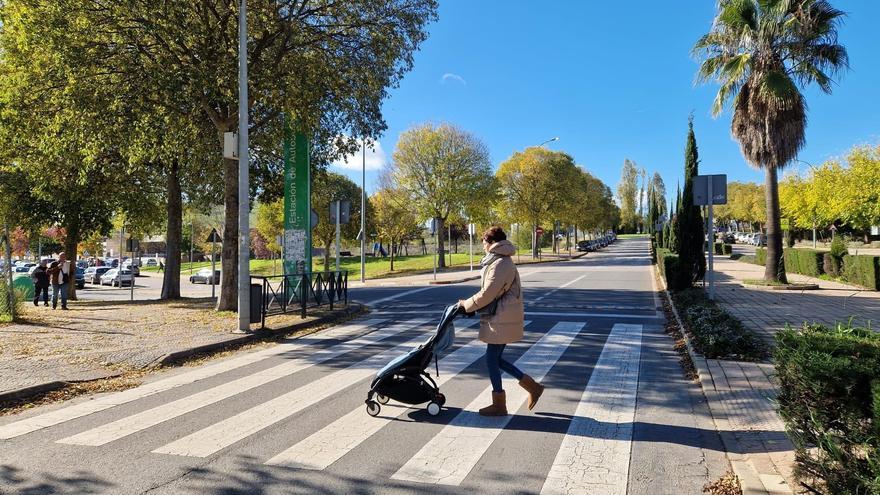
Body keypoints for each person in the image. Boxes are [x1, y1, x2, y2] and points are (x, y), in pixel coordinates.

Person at [457, 226, 544, 416]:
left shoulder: (500, 263)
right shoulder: (499, 260)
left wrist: (466, 305)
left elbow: (488, 293)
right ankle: (532, 388)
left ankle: (501, 403)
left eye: (483, 242)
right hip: (501, 314)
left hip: (502, 316)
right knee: (495, 359)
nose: (482, 246)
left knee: (491, 360)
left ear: (491, 242)